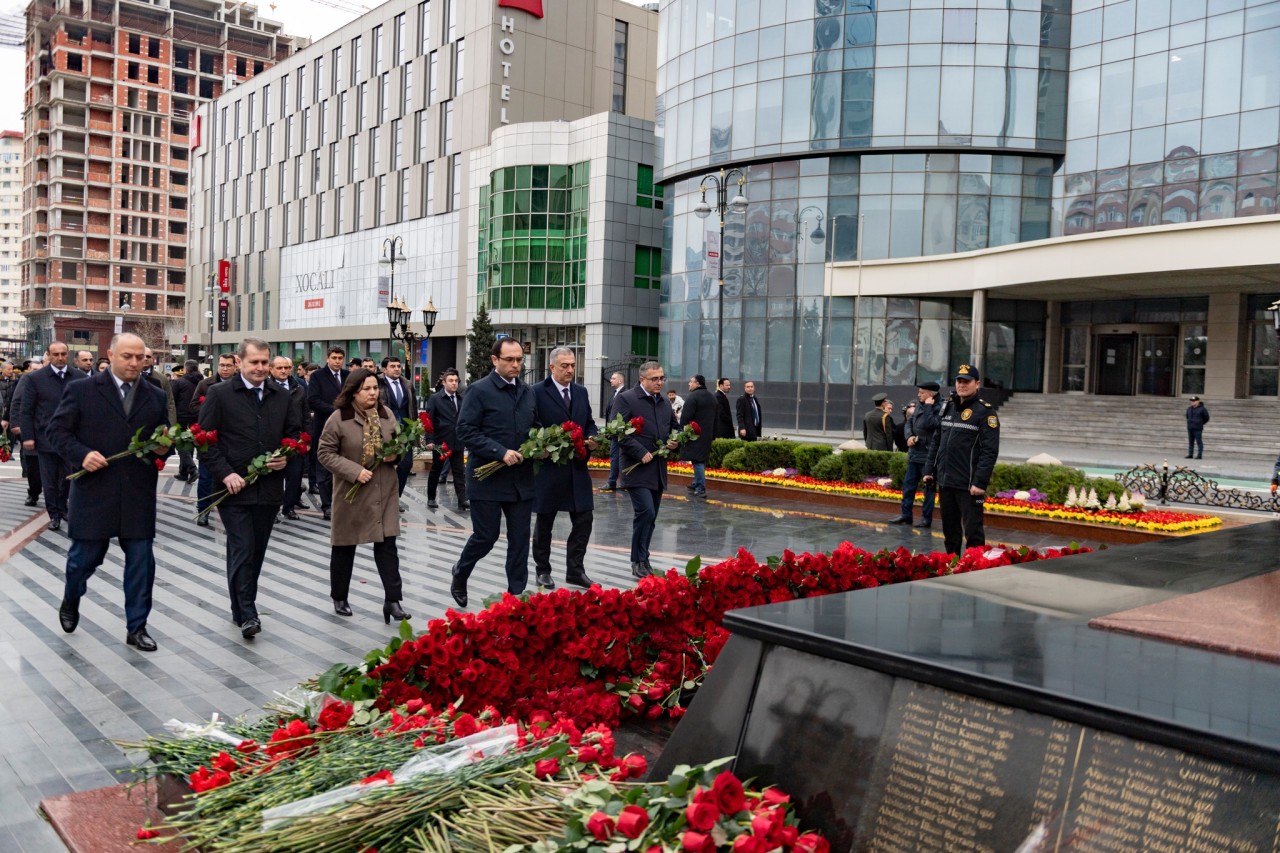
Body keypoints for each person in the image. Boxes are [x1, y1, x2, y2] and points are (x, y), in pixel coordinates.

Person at [46, 333, 170, 651]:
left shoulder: (155, 396)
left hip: (137, 494)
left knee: (142, 562)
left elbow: (159, 443)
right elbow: (57, 431)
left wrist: (164, 448)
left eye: (139, 357)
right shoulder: (82, 390)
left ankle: (137, 627)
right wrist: (82, 454)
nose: (133, 363)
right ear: (110, 354)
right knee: (82, 561)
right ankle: (71, 598)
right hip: (94, 491)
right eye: (127, 356)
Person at [197, 338, 301, 639]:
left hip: (268, 489)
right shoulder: (219, 394)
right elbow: (204, 441)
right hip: (232, 490)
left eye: (264, 362)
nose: (260, 368)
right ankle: (248, 612)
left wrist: (285, 455)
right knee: (242, 547)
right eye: (254, 362)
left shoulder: (281, 396)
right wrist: (226, 473)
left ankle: (239, 605)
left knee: (255, 550)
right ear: (239, 362)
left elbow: (293, 435)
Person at [317, 368, 411, 623]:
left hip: (384, 489)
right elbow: (325, 453)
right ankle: (340, 596)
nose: (373, 393)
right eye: (366, 389)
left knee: (387, 544)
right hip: (352, 491)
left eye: (375, 388)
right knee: (345, 544)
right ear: (353, 392)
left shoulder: (386, 414)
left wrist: (396, 454)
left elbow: (400, 442)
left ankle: (393, 600)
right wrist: (354, 471)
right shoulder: (339, 418)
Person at [450, 338, 538, 607]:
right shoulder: (479, 391)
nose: (515, 365)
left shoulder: (527, 391)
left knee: (520, 541)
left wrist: (541, 445)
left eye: (519, 360)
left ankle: (516, 597)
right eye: (509, 360)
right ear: (494, 360)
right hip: (486, 478)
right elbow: (465, 430)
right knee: (485, 537)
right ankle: (460, 572)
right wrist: (499, 452)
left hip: (520, 481)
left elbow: (535, 426)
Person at [531, 347, 598, 590]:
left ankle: (575, 570)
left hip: (577, 468)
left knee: (584, 519)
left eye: (572, 365)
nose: (570, 369)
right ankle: (543, 570)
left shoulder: (581, 392)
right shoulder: (537, 392)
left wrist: (592, 437)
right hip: (550, 469)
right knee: (545, 522)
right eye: (565, 366)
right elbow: (534, 425)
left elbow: (589, 422)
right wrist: (546, 445)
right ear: (552, 367)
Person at [923, 365, 1000, 556]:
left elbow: (990, 451)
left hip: (969, 485)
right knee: (950, 531)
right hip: (946, 481)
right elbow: (936, 441)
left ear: (977, 384)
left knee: (973, 532)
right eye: (959, 381)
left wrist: (979, 482)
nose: (962, 385)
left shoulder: (985, 413)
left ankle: (975, 569)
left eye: (967, 381)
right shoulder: (948, 407)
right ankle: (952, 565)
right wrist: (928, 470)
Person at [616, 361, 680, 580]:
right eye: (655, 379)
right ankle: (637, 560)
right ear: (642, 379)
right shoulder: (626, 399)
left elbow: (675, 428)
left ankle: (644, 559)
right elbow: (620, 433)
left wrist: (674, 441)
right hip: (636, 469)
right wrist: (640, 451)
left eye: (662, 378)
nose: (660, 382)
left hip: (658, 469)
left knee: (651, 518)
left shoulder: (663, 401)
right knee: (646, 512)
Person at [14, 342, 87, 531]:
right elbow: (26, 410)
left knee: (69, 477)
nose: (60, 357)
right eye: (56, 354)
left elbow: (87, 408)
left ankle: (63, 507)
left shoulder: (78, 377)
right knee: (49, 480)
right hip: (45, 438)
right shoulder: (35, 378)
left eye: (64, 354)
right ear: (49, 355)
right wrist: (27, 437)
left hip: (71, 439)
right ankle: (54, 514)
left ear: (68, 355)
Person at [193, 353, 238, 526]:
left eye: (228, 365)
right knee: (205, 477)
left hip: (231, 439)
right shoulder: (205, 384)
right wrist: (212, 408)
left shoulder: (239, 384)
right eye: (222, 365)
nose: (225, 369)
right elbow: (193, 405)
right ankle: (203, 510)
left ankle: (229, 511)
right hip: (209, 437)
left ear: (235, 366)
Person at [889, 382, 941, 527]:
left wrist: (929, 407)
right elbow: (909, 422)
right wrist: (909, 436)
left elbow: (933, 424)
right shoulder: (919, 404)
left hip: (929, 456)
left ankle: (926, 519)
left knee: (928, 490)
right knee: (908, 486)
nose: (919, 395)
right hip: (914, 454)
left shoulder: (940, 407)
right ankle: (906, 516)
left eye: (922, 392)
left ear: (930, 394)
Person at [307, 347, 350, 521]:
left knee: (344, 466)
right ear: (327, 358)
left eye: (340, 358)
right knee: (324, 467)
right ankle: (327, 506)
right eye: (334, 358)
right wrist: (336, 411)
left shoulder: (348, 376)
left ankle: (342, 503)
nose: (337, 361)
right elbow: (313, 400)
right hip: (324, 426)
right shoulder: (318, 376)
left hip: (347, 427)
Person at [270, 355, 307, 520]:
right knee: (274, 477)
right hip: (273, 439)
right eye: (279, 368)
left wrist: (308, 439)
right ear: (271, 370)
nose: (284, 370)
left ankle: (289, 507)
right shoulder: (267, 387)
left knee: (294, 476)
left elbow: (306, 415)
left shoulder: (299, 388)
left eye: (286, 367)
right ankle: (273, 509)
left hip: (296, 439)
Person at [425, 368, 467, 509]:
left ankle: (462, 499)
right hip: (440, 442)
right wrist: (429, 440)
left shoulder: (461, 399)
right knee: (436, 470)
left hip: (457, 441)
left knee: (459, 472)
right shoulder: (436, 399)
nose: (454, 383)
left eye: (456, 381)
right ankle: (431, 498)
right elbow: (428, 421)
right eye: (451, 381)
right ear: (444, 382)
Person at [378, 355, 417, 505]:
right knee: (385, 467)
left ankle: (395, 497)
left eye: (398, 366)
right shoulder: (379, 384)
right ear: (384, 369)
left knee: (406, 465)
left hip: (405, 433)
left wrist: (414, 430)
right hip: (386, 431)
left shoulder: (407, 384)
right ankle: (384, 498)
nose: (396, 369)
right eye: (392, 366)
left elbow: (412, 408)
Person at [8, 370, 43, 506]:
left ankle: (59, 503)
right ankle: (34, 492)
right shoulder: (28, 378)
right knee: (33, 466)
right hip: (31, 428)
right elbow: (16, 402)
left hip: (54, 431)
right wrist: (14, 422)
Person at [680, 374, 716, 498]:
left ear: (697, 383)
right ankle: (696, 482)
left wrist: (682, 431)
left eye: (691, 382)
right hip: (707, 434)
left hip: (694, 433)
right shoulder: (712, 397)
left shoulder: (693, 397)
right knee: (701, 459)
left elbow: (686, 417)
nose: (689, 384)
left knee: (697, 461)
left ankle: (700, 487)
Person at [171, 359, 203, 482]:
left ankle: (191, 469)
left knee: (181, 444)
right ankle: (183, 472)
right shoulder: (202, 382)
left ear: (185, 369)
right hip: (197, 416)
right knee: (189, 443)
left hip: (182, 416)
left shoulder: (179, 382)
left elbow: (172, 399)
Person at [141, 347, 179, 426]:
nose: (145, 359)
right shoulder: (131, 376)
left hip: (157, 425)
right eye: (142, 356)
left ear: (152, 359)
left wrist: (171, 426)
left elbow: (170, 403)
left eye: (148, 356)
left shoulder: (162, 379)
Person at [601, 371, 625, 491]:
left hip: (620, 433)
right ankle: (617, 482)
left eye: (613, 378)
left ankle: (613, 482)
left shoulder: (624, 394)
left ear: (620, 381)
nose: (610, 380)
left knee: (617, 456)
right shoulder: (615, 394)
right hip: (614, 432)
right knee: (616, 456)